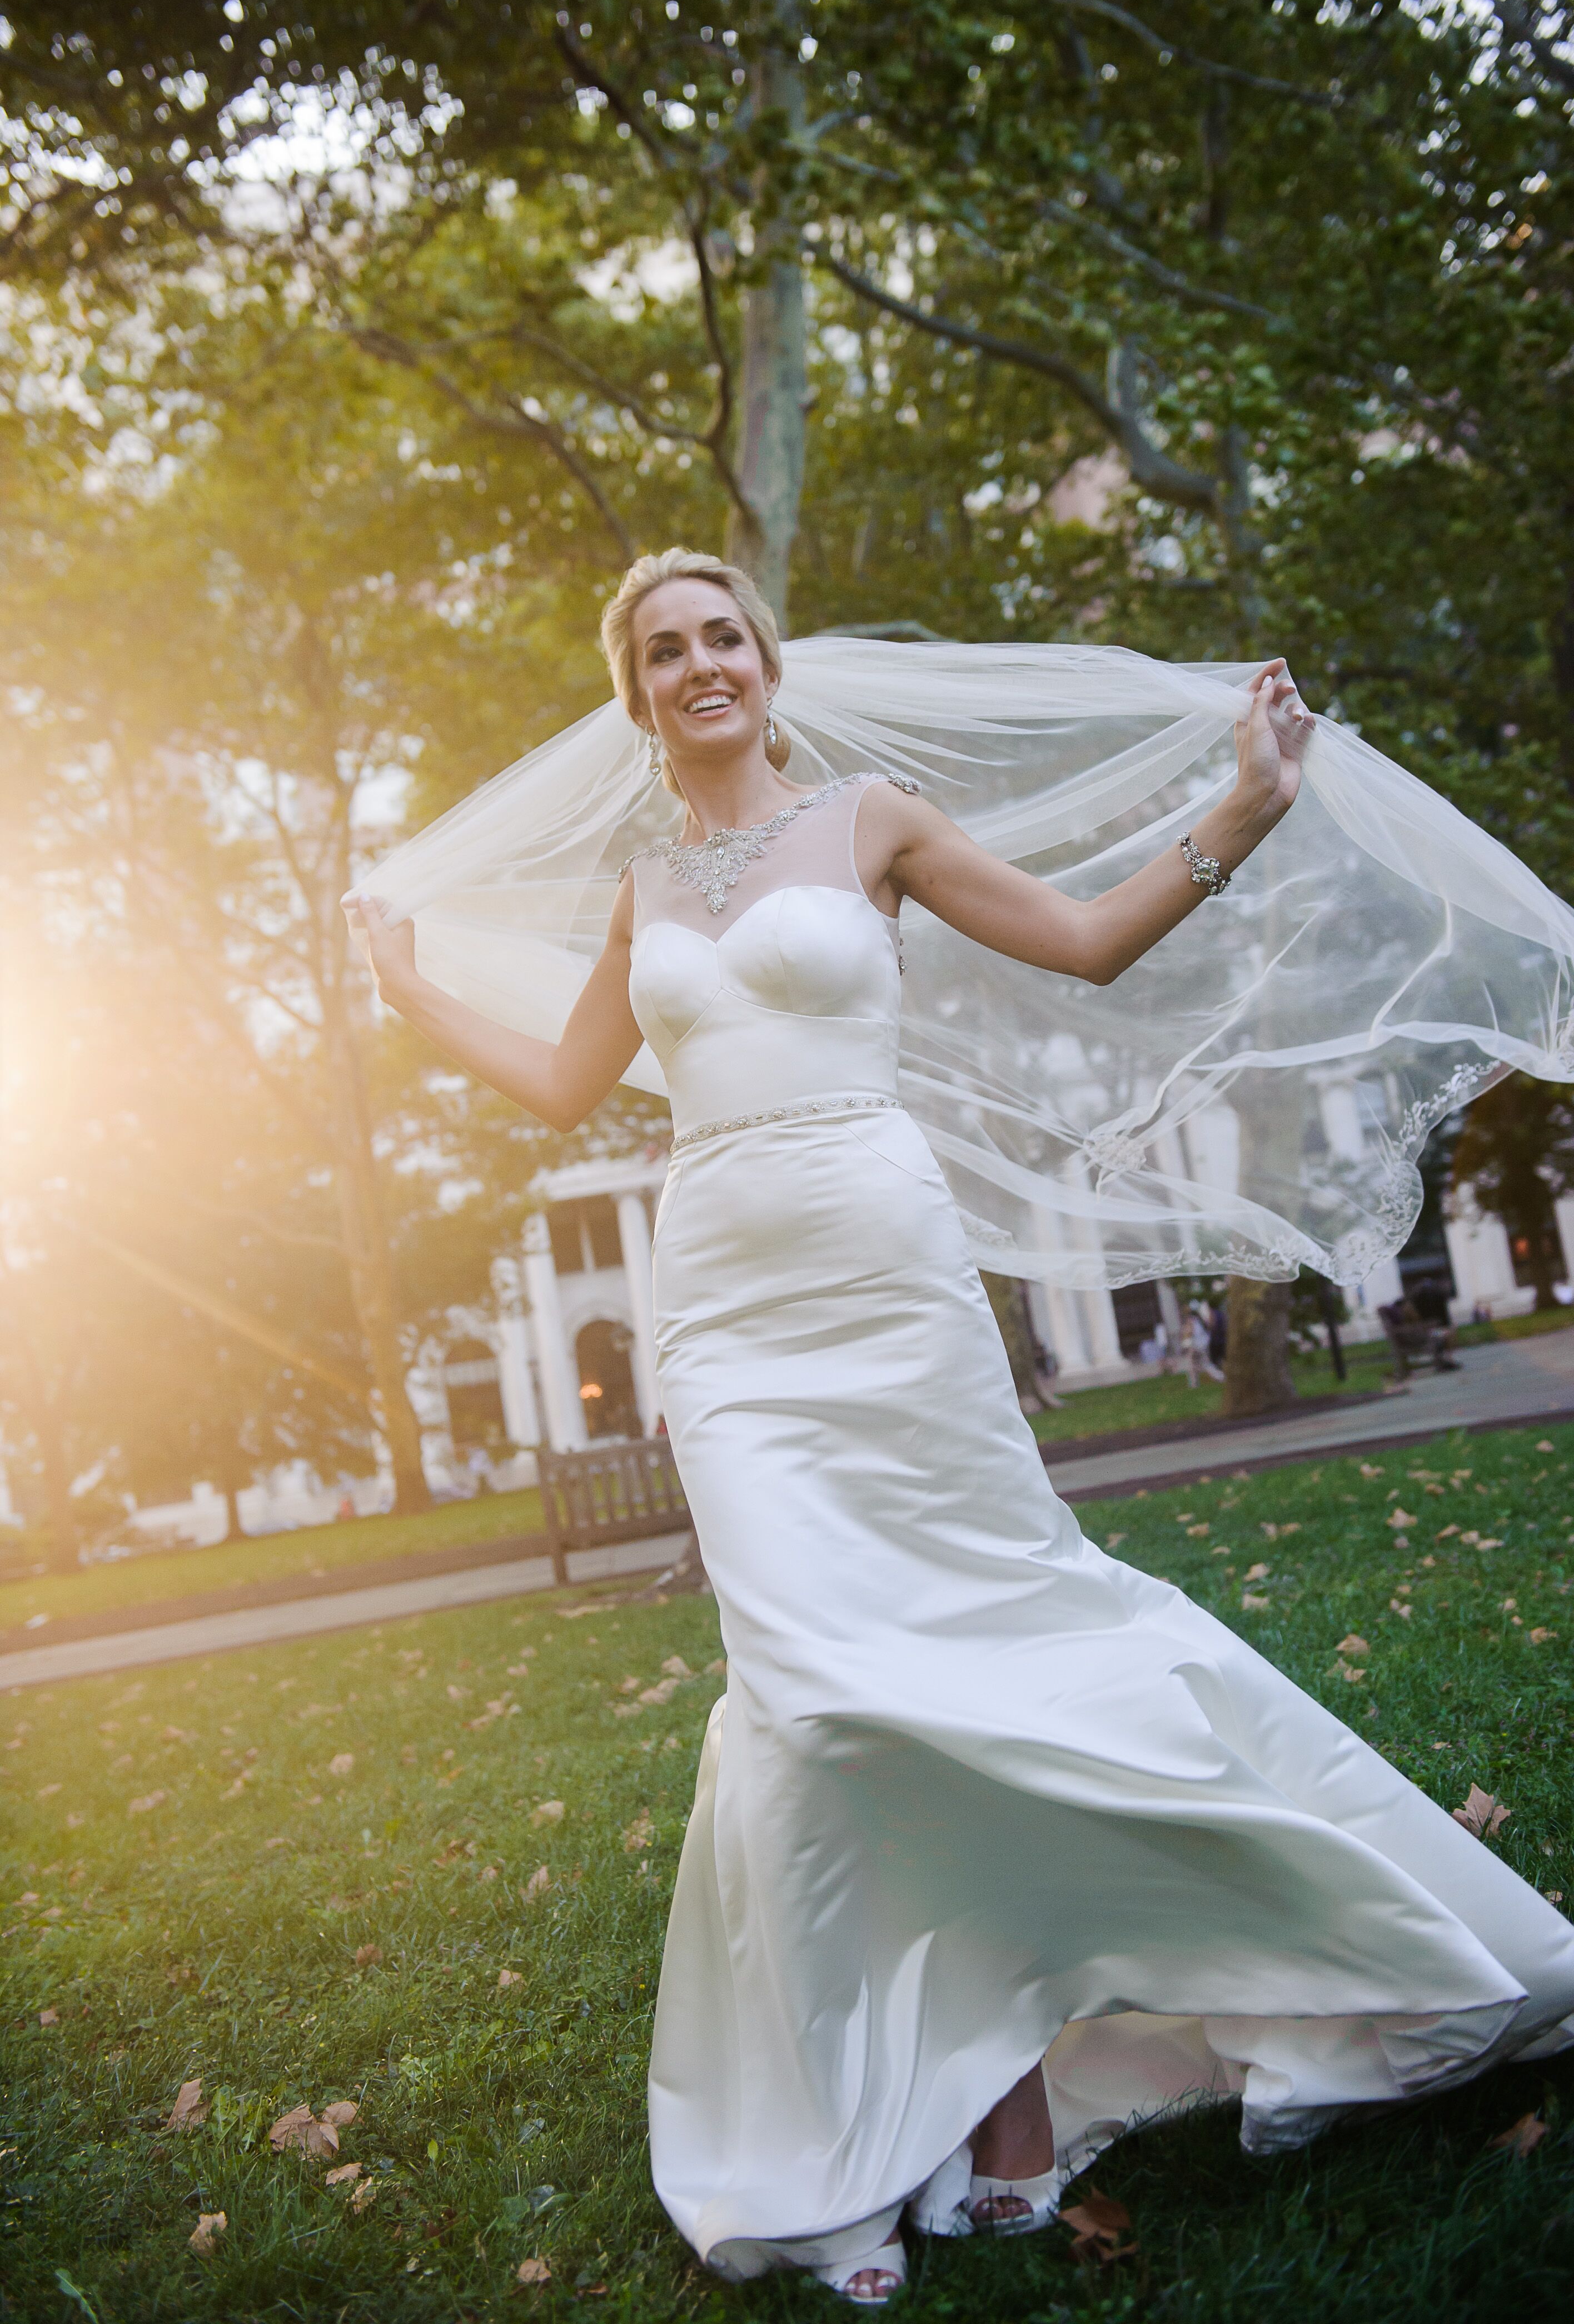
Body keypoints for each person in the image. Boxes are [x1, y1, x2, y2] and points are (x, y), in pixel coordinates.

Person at [347, 550, 1574, 2307]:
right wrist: (409, 996)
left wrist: (1244, 805)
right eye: (664, 650)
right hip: (727, 1323)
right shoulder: (643, 890)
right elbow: (563, 1085)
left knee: (990, 1635)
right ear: (636, 696)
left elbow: (1083, 946)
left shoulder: (872, 824)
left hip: (885, 1279)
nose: (700, 665)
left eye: (723, 637)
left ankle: (1063, 2074)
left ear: (767, 667)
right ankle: (905, 2106)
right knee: (824, 1692)